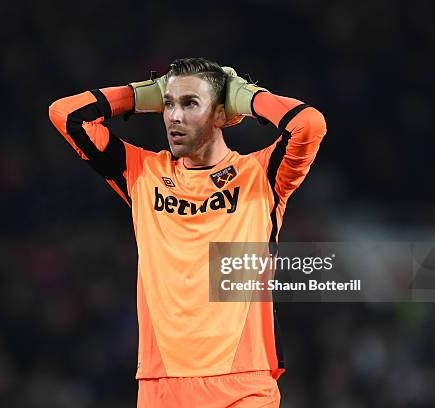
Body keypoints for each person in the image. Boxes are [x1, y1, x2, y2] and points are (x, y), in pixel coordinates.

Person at [49, 57, 327, 408]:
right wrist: (142, 94)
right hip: (161, 386)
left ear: (222, 114)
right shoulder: (143, 174)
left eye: (190, 103)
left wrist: (248, 97)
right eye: (168, 104)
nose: (173, 116)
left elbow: (308, 124)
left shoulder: (262, 175)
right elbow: (67, 115)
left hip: (242, 385)